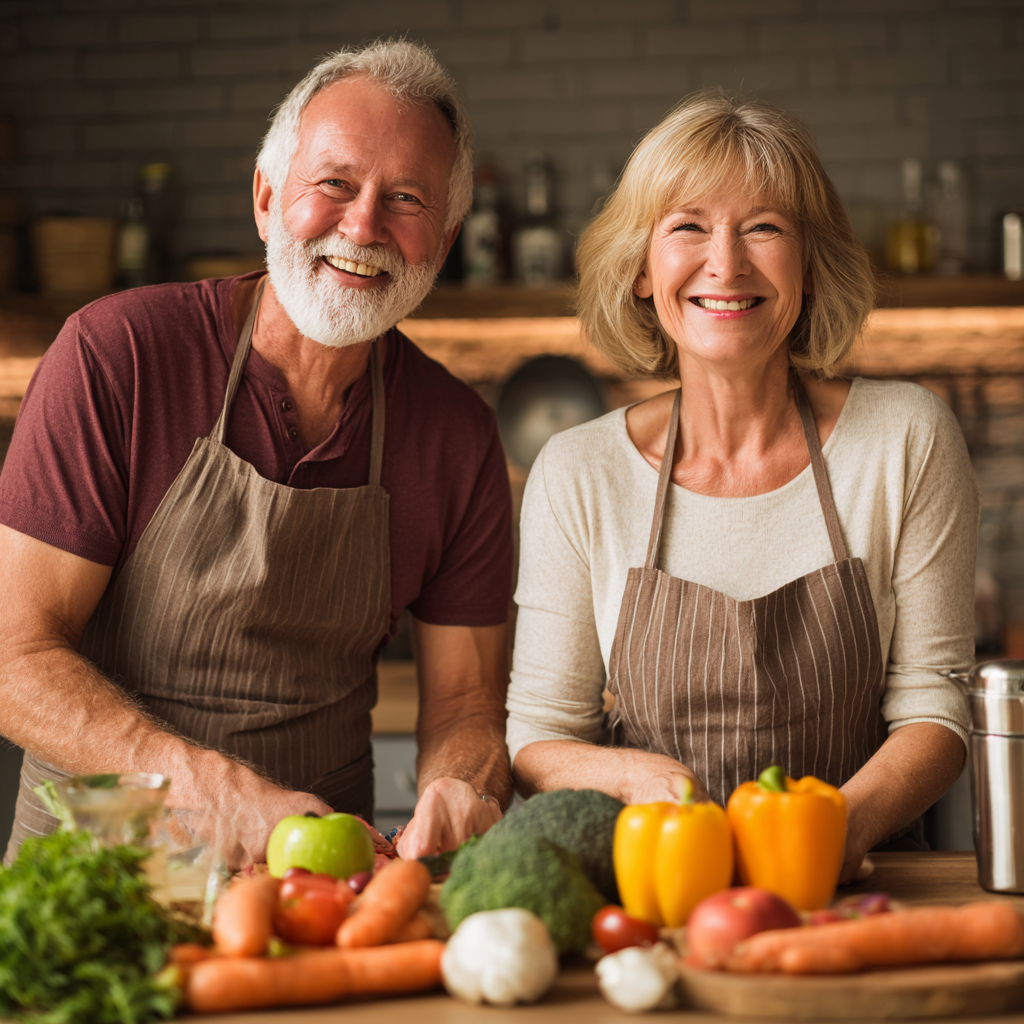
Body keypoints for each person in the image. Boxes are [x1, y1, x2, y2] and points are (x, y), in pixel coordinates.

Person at [0, 40, 513, 867]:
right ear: (268, 198)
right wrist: (200, 785)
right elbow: (12, 656)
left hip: (320, 894)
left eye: (407, 198)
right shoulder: (118, 354)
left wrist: (463, 782)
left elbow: (465, 700)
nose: (363, 224)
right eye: (334, 184)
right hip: (96, 887)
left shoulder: (455, 431)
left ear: (445, 243)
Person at [506, 92, 976, 881]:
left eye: (764, 227)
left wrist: (833, 835)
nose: (726, 264)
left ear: (809, 264)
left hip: (864, 889)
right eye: (688, 227)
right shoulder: (577, 471)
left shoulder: (905, 438)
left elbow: (936, 710)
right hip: (661, 892)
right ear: (643, 272)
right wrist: (636, 778)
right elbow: (537, 739)